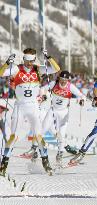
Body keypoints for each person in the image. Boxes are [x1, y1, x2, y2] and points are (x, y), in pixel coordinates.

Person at [0, 48, 61, 176]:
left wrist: (48, 57)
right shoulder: (17, 69)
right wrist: (7, 63)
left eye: (31, 61)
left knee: (39, 136)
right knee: (13, 137)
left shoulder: (38, 69)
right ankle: (3, 165)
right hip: (20, 106)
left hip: (33, 106)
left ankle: (46, 163)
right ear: (23, 59)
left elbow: (56, 69)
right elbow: (1, 74)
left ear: (34, 60)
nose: (29, 63)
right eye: (27, 60)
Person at [40, 70, 85, 166]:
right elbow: (42, 89)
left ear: (68, 80)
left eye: (65, 80)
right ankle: (36, 150)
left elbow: (81, 95)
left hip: (64, 113)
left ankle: (59, 155)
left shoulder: (70, 87)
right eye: (61, 79)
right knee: (42, 131)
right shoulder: (53, 84)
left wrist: (81, 100)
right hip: (52, 111)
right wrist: (43, 95)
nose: (63, 81)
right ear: (59, 78)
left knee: (61, 134)